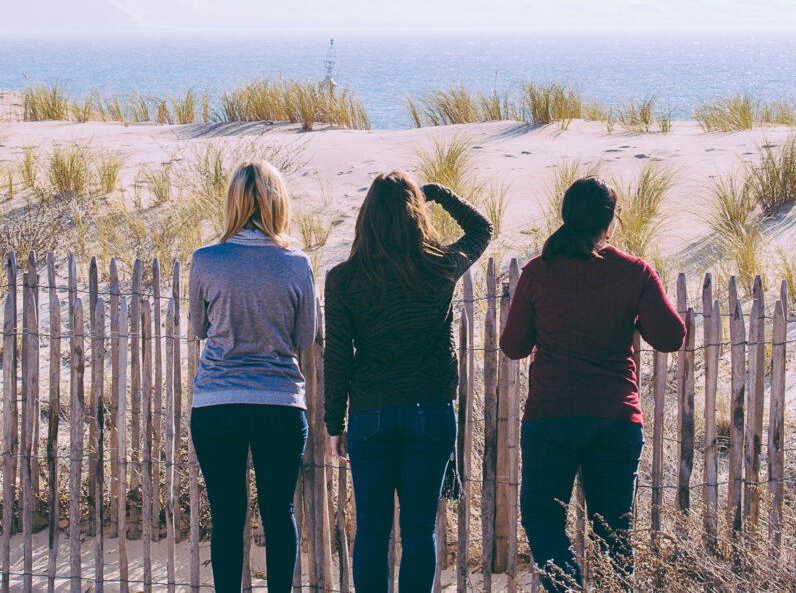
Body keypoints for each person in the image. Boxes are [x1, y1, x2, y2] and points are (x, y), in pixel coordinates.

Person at [500, 176, 686, 592]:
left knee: (542, 518)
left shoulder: (538, 272)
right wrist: (633, 317)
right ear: (610, 221)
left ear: (565, 217)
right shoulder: (634, 273)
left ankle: (566, 586)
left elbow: (513, 346)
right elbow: (672, 337)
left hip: (552, 417)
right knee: (613, 532)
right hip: (615, 417)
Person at [324, 171, 493, 593]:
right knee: (419, 530)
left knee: (371, 532)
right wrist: (435, 194)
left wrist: (333, 424)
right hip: (431, 411)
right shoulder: (439, 266)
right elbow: (481, 228)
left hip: (370, 412)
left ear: (366, 219)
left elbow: (339, 356)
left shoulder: (344, 279)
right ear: (417, 215)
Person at [189, 161, 317, 593]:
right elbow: (306, 336)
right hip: (279, 403)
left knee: (227, 514)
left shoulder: (206, 260)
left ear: (233, 204)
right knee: (278, 512)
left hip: (216, 402)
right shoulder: (297, 264)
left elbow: (198, 327)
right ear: (277, 204)